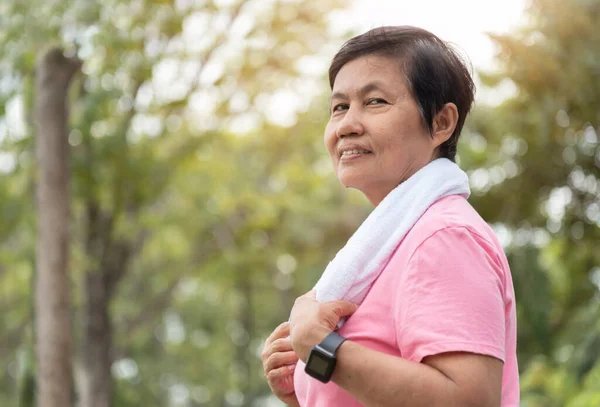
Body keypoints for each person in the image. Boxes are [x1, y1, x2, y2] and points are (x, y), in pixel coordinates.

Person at [261, 26, 519, 407]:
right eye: (339, 107)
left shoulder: (443, 236)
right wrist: (301, 385)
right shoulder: (387, 248)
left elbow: (469, 400)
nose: (347, 124)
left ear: (441, 123)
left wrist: (319, 346)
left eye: (375, 101)